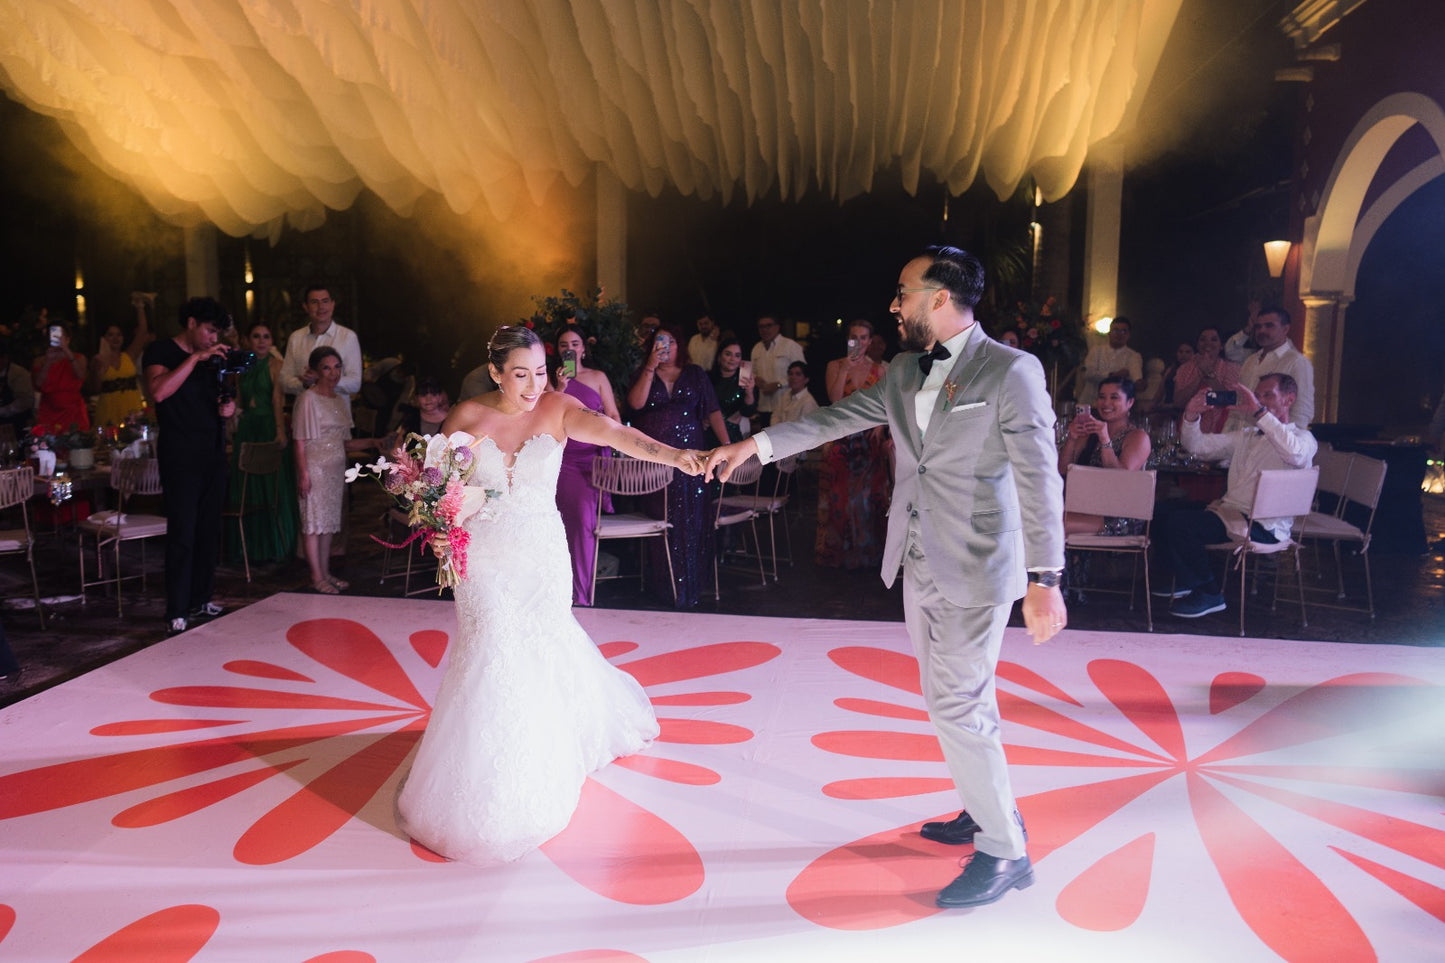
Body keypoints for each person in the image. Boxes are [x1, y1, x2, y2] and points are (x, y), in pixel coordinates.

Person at [705, 245, 1066, 910]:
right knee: (953, 697)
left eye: (903, 290)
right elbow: (836, 418)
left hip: (977, 562)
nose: (892, 303)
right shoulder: (905, 369)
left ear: (938, 296)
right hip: (915, 554)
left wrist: (1046, 573)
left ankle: (1004, 852)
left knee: (956, 702)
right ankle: (979, 805)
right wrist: (752, 445)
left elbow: (1038, 473)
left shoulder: (1011, 371)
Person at [396, 325, 704, 863]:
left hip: (540, 553)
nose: (535, 384)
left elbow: (614, 432)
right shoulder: (465, 418)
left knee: (540, 646)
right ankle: (483, 779)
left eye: (540, 371)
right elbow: (440, 492)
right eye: (521, 374)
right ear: (494, 372)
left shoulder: (559, 408)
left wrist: (674, 456)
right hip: (484, 557)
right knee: (490, 652)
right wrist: (441, 528)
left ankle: (540, 757)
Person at [1159, 373, 1317, 619]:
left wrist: (1261, 415)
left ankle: (1209, 592)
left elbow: (1295, 455)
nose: (1259, 400)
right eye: (1258, 394)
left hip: (1263, 525)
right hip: (1231, 512)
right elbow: (1197, 447)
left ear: (1289, 400)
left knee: (1182, 525)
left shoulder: (1303, 438)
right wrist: (1191, 415)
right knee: (1162, 511)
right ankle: (1185, 580)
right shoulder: (1247, 435)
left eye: (1268, 395)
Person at [142, 298, 239, 635]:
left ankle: (201, 598)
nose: (213, 339)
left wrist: (227, 409)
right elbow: (158, 392)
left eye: (217, 333)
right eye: (210, 331)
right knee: (183, 532)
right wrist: (195, 358)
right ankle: (177, 609)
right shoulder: (160, 351)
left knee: (209, 530)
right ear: (192, 323)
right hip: (179, 454)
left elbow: (218, 402)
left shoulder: (213, 360)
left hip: (211, 450)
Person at [627, 324, 727, 607]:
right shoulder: (644, 373)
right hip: (656, 458)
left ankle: (691, 586)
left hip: (692, 456)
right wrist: (649, 367)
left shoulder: (695, 374)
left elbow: (714, 411)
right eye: (660, 341)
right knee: (662, 518)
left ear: (679, 345)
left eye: (670, 341)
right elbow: (635, 405)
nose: (665, 346)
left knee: (692, 519)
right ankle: (664, 587)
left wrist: (728, 447)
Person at [292, 346, 388, 595]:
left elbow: (345, 443)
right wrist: (303, 473)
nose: (333, 373)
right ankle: (316, 577)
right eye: (326, 367)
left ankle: (325, 573)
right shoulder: (308, 399)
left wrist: (372, 442)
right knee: (313, 523)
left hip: (335, 470)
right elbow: (299, 441)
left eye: (337, 367)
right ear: (315, 370)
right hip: (315, 467)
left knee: (327, 524)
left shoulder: (338, 400)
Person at [552, 325, 622, 605]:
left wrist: (618, 444)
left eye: (575, 343)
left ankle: (581, 594)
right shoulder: (550, 379)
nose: (569, 348)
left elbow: (613, 413)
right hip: (564, 457)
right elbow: (546, 416)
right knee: (558, 524)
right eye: (563, 344)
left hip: (591, 458)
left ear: (583, 348)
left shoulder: (598, 377)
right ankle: (557, 591)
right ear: (557, 350)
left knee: (583, 523)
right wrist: (559, 389)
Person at [816, 320, 891, 569]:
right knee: (839, 497)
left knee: (868, 498)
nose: (858, 342)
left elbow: (885, 406)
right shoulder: (835, 365)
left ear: (870, 341)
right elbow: (834, 400)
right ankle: (838, 557)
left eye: (863, 337)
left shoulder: (879, 370)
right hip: (841, 437)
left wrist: (880, 426)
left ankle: (868, 558)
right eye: (853, 337)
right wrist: (845, 370)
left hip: (868, 441)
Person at [225, 321, 297, 565]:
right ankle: (250, 546)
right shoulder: (243, 365)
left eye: (266, 336)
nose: (262, 340)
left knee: (271, 485)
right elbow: (236, 396)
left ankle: (276, 544)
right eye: (256, 336)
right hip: (247, 428)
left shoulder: (276, 365)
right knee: (247, 485)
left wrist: (280, 431)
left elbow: (278, 400)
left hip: (268, 425)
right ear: (249, 340)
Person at [1058, 376, 1151, 536]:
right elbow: (1063, 469)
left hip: (1119, 515)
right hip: (1084, 506)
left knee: (1051, 524)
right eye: (1102, 397)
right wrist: (1072, 438)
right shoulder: (1088, 432)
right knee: (1037, 518)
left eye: (1114, 397)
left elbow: (1119, 479)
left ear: (1130, 403)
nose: (1106, 403)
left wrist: (1105, 439)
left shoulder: (1137, 437)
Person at [1233, 306, 1315, 429]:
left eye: (1269, 326)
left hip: (1271, 441)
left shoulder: (1297, 362)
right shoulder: (1251, 360)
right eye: (1258, 327)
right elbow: (1239, 403)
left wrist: (1284, 441)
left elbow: (1302, 412)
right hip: (1241, 439)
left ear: (1285, 329)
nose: (1262, 331)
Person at [279, 284, 363, 398]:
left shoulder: (348, 337)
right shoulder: (296, 338)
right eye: (314, 302)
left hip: (336, 412)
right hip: (305, 411)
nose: (321, 307)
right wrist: (304, 383)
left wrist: (322, 380)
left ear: (332, 304)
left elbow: (355, 383)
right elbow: (284, 382)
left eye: (325, 301)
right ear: (305, 307)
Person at [88, 292, 154, 427]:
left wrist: (139, 306)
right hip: (109, 408)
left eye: (118, 335)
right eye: (110, 335)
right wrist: (98, 367)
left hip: (131, 406)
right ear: (104, 338)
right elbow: (95, 388)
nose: (115, 338)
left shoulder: (128, 356)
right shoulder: (98, 360)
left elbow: (142, 331)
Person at [1172, 327, 1241, 433]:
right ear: (1198, 344)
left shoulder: (1232, 368)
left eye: (1214, 340)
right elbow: (1179, 403)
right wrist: (1200, 375)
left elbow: (1230, 401)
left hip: (1222, 434)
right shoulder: (1185, 368)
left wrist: (1208, 375)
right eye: (1203, 339)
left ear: (1221, 345)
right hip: (1189, 432)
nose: (1207, 343)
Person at [749, 314, 805, 428]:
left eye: (768, 325)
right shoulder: (756, 348)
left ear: (777, 327)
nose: (764, 329)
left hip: (786, 406)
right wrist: (755, 379)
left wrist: (779, 384)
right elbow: (752, 372)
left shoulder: (790, 346)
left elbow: (803, 374)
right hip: (764, 406)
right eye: (761, 326)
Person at [32, 322, 88, 434]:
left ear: (68, 339)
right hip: (49, 411)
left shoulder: (78, 358)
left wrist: (67, 351)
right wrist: (48, 362)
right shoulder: (40, 361)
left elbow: (81, 375)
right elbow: (38, 384)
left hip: (73, 411)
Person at [1075, 316, 1142, 405]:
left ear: (1128, 335)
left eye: (1123, 331)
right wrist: (1113, 375)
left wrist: (1140, 384)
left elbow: (1136, 378)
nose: (1119, 334)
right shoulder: (1096, 351)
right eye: (1115, 330)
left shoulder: (1133, 356)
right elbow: (1088, 374)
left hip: (1115, 406)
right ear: (1109, 333)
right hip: (1090, 403)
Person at [708, 336, 757, 445]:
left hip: (732, 437)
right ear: (719, 356)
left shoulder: (744, 380)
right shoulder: (707, 378)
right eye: (728, 354)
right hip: (707, 433)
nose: (732, 359)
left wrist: (749, 392)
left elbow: (748, 412)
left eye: (737, 355)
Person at [0, 343, 36, 437]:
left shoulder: (18, 374)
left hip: (16, 423)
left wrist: (3, 411)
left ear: (5, 358)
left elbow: (26, 401)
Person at [771, 360, 819, 426]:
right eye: (790, 374)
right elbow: (775, 416)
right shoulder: (786, 394)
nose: (793, 377)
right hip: (778, 433)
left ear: (806, 380)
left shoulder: (808, 402)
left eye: (798, 374)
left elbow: (802, 429)